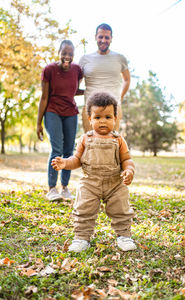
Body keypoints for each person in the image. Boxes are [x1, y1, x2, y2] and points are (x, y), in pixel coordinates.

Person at [51, 92, 136, 252]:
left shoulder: (118, 139)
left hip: (115, 184)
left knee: (121, 210)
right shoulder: (85, 138)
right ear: (89, 119)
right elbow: (76, 160)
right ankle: (82, 238)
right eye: (97, 117)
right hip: (90, 183)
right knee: (83, 210)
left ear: (115, 118)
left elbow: (126, 159)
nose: (102, 121)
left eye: (108, 117)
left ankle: (124, 236)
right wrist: (65, 163)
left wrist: (129, 170)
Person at [37, 40, 84, 201]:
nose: (67, 57)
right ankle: (52, 189)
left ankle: (64, 188)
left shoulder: (77, 70)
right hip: (52, 111)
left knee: (69, 151)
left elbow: (73, 90)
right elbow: (44, 97)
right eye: (64, 53)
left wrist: (89, 91)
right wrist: (38, 123)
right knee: (57, 149)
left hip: (71, 112)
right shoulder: (49, 70)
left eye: (70, 54)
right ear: (58, 52)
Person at [79, 23, 131, 132]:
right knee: (91, 145)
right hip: (91, 109)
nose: (103, 40)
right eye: (100, 37)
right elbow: (76, 83)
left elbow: (127, 79)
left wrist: (120, 97)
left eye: (107, 37)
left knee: (111, 144)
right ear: (95, 37)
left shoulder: (120, 58)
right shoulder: (85, 59)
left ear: (111, 38)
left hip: (113, 109)